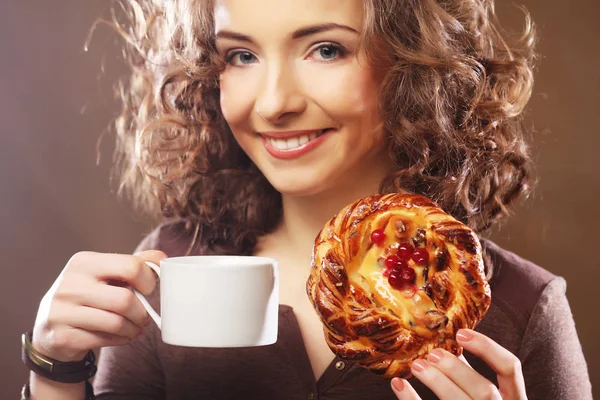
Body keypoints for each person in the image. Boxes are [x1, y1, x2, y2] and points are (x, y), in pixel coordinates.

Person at [22, 0, 592, 399]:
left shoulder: (523, 308)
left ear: (414, 63)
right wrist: (55, 370)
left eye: (325, 49)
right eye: (241, 56)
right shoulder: (168, 273)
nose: (273, 104)